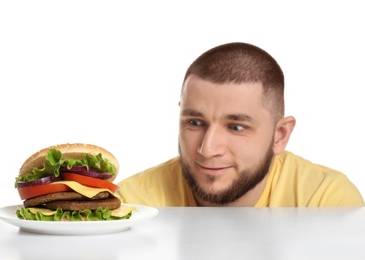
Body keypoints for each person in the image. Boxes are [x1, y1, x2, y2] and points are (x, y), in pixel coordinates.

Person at [116, 42, 364, 207]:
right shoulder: (132, 204)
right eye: (194, 122)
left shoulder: (325, 200)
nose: (207, 149)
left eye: (236, 127)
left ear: (280, 135)